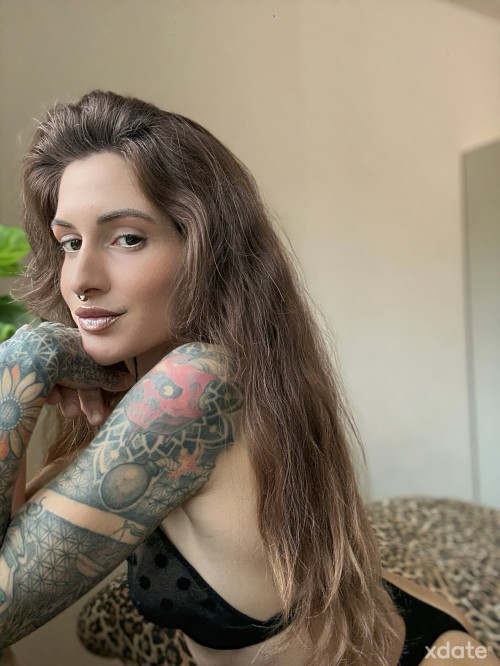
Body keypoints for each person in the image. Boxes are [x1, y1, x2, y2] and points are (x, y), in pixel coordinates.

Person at [0, 90, 497, 666]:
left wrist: (26, 354)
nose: (81, 278)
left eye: (128, 238)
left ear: (205, 249)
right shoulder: (147, 396)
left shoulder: (195, 388)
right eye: (70, 242)